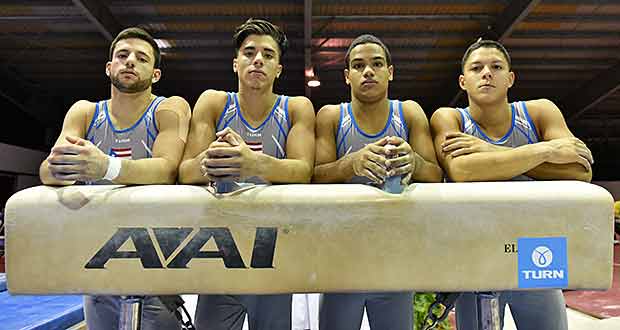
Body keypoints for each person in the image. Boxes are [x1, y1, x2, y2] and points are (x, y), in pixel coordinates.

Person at [430, 39, 593, 330]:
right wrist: (545, 151)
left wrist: (489, 151)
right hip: (475, 249)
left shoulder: (540, 112)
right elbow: (463, 171)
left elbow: (580, 171)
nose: (487, 74)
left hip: (538, 248)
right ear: (463, 81)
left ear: (510, 78)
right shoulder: (449, 117)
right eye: (476, 68)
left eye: (496, 67)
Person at [39, 27, 191, 330]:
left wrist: (105, 167)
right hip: (98, 257)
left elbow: (167, 169)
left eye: (141, 58)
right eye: (122, 55)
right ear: (109, 67)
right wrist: (65, 168)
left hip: (154, 258)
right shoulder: (84, 112)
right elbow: (46, 170)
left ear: (156, 74)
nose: (130, 61)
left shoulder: (170, 107)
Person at [178, 18, 315, 330]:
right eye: (249, 52)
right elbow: (185, 172)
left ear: (278, 69)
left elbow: (304, 171)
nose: (258, 60)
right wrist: (209, 160)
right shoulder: (213, 102)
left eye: (268, 55)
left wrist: (251, 163)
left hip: (273, 249)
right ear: (235, 63)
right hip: (220, 248)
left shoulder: (296, 107)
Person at [313, 34, 443, 330]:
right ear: (347, 76)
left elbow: (437, 175)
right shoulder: (331, 116)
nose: (368, 71)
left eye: (376, 64)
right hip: (342, 259)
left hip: (395, 256)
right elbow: (314, 176)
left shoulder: (409, 112)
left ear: (390, 72)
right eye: (358, 66)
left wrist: (415, 162)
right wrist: (351, 163)